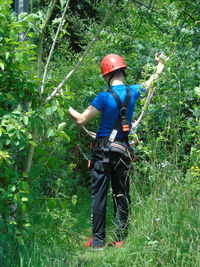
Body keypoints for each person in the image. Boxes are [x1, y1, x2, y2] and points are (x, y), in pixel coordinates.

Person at [68, 53, 165, 250]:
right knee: (121, 193)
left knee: (99, 194)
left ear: (107, 76)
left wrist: (63, 105)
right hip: (124, 150)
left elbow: (80, 119)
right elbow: (152, 81)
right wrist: (160, 65)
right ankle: (121, 238)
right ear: (122, 71)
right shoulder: (134, 92)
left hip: (103, 150)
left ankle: (98, 241)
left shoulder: (103, 97)